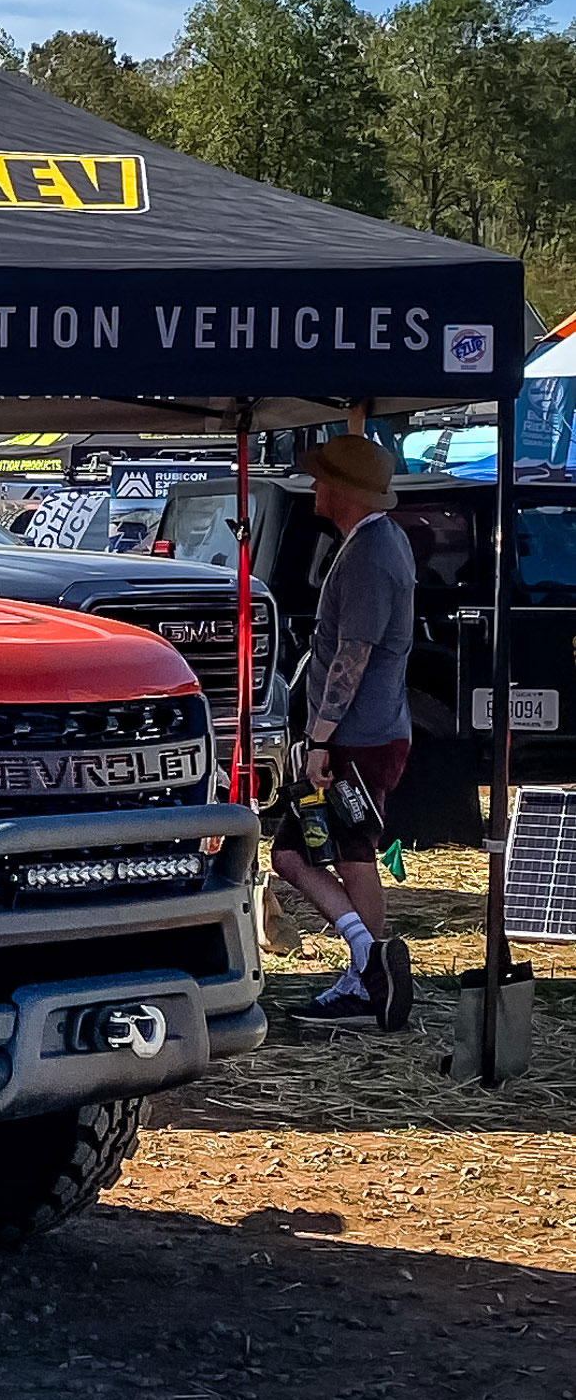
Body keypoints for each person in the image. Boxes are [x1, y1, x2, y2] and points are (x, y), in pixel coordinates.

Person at [275, 434, 415, 1033]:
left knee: (322, 853)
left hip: (356, 735)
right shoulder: (376, 543)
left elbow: (352, 655)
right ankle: (367, 962)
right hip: (370, 730)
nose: (314, 487)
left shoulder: (368, 555)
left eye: (322, 478)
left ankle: (368, 969)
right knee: (326, 851)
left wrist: (321, 737)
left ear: (345, 491)